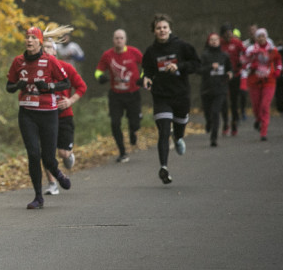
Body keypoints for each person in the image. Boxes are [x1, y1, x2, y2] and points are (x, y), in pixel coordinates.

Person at [6, 26, 73, 209]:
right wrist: (18, 85)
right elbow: (9, 86)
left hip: (48, 113)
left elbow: (65, 83)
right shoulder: (18, 62)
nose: (29, 40)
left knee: (48, 158)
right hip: (27, 113)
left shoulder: (50, 61)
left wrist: (49, 87)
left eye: (32, 38)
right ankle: (38, 197)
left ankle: (58, 174)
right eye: (27, 37)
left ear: (39, 41)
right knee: (34, 154)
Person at [141, 13, 201, 184]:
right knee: (164, 131)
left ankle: (179, 136)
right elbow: (145, 71)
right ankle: (164, 168)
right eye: (158, 28)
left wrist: (179, 66)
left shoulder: (182, 46)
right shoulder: (151, 52)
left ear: (170, 29)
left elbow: (197, 64)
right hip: (161, 96)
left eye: (164, 27)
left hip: (181, 95)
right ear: (154, 31)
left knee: (179, 128)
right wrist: (145, 78)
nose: (162, 30)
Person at [42, 32, 87, 195]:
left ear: (55, 51)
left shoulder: (66, 67)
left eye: (49, 47)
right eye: (43, 48)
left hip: (64, 115)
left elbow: (82, 87)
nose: (46, 50)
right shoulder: (37, 70)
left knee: (62, 153)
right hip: (45, 116)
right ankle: (52, 184)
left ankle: (68, 156)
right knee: (46, 151)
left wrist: (69, 101)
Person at [94, 29, 143, 162]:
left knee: (135, 123)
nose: (119, 40)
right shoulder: (107, 55)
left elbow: (146, 66)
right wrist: (100, 77)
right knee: (115, 123)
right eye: (116, 38)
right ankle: (122, 152)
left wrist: (142, 78)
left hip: (133, 93)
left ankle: (133, 131)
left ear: (125, 40)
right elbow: (98, 71)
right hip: (116, 95)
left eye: (121, 38)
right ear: (113, 40)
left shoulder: (134, 52)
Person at [242, 28, 283, 141]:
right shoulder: (251, 49)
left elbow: (278, 61)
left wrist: (278, 70)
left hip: (269, 81)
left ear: (266, 37)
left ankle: (263, 131)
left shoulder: (272, 49)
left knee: (264, 106)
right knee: (256, 107)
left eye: (263, 36)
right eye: (259, 36)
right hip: (254, 81)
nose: (261, 38)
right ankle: (258, 120)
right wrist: (251, 65)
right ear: (256, 38)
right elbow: (243, 62)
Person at [198, 32, 233, 147]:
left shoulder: (224, 55)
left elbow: (230, 69)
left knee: (215, 112)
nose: (214, 41)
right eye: (211, 40)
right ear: (208, 42)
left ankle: (214, 138)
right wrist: (210, 67)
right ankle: (208, 122)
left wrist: (229, 74)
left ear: (219, 41)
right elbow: (198, 70)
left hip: (220, 88)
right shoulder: (205, 55)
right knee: (208, 113)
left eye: (216, 39)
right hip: (207, 89)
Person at [219, 24, 244, 137]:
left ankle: (234, 123)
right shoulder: (219, 43)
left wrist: (242, 63)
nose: (228, 35)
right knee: (223, 100)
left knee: (234, 101)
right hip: (222, 76)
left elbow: (245, 54)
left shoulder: (237, 43)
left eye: (230, 32)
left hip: (235, 75)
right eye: (226, 33)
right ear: (222, 34)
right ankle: (225, 123)